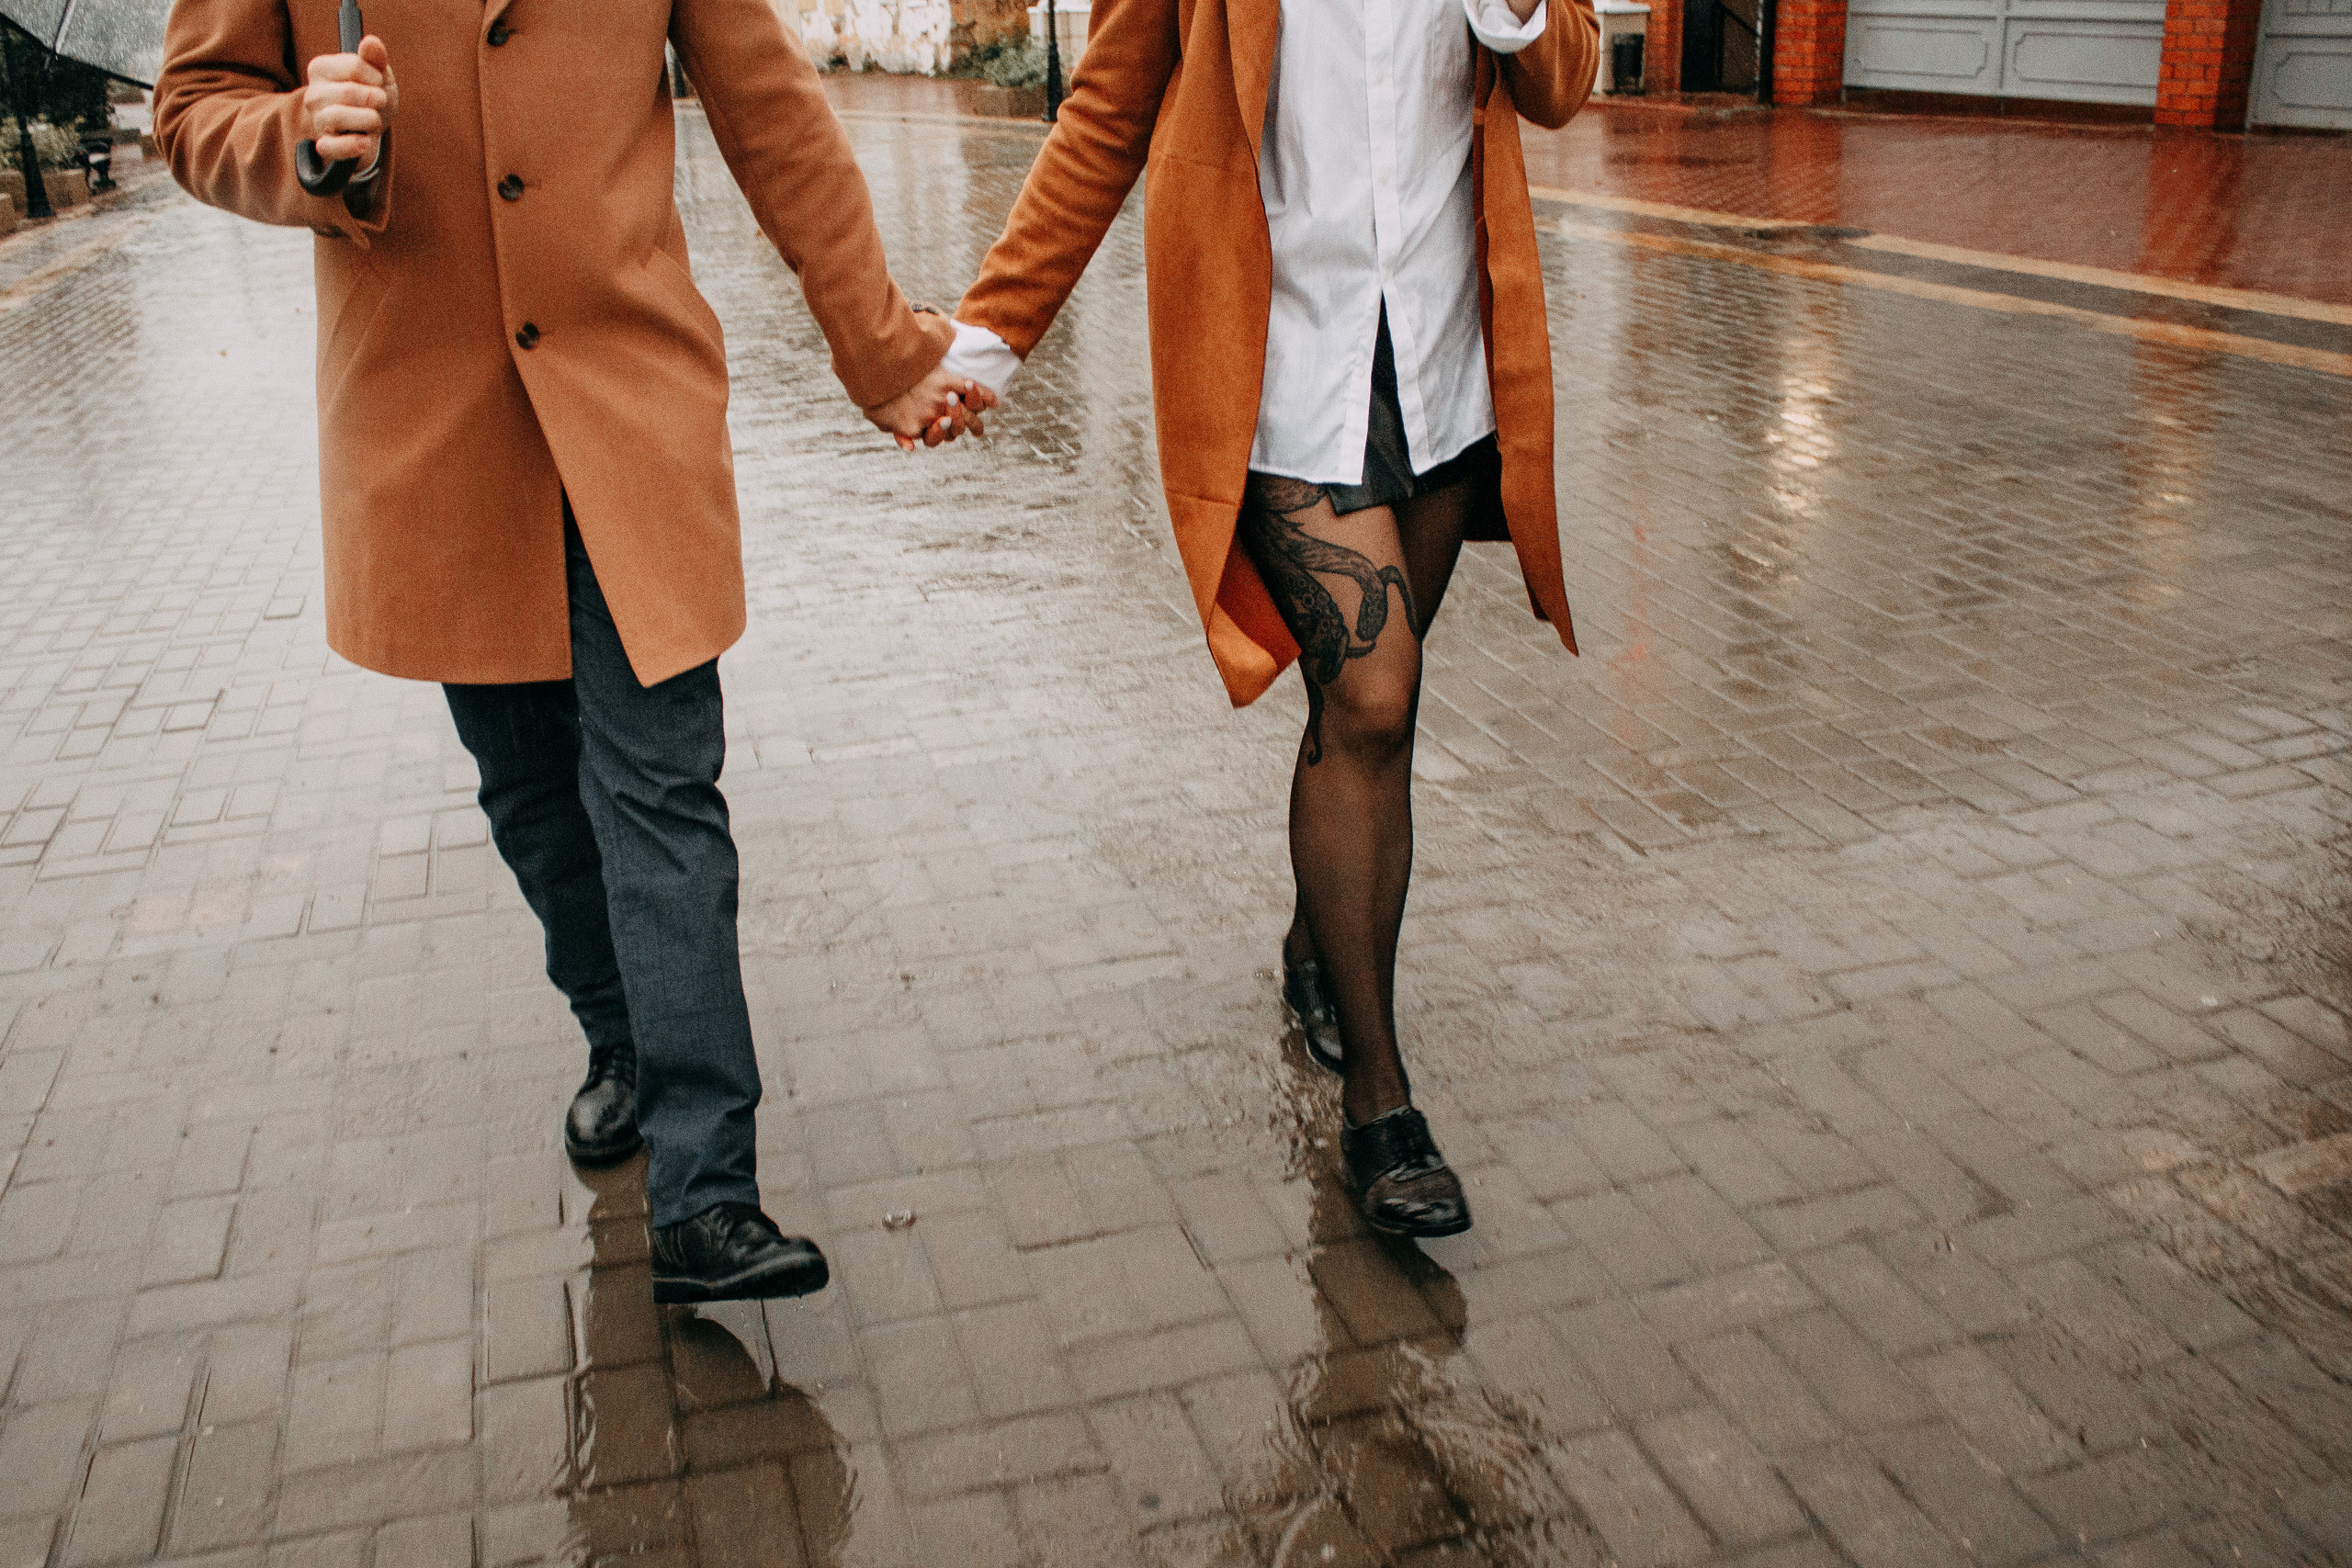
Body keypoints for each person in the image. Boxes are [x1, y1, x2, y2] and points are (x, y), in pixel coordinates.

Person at [153, 0, 993, 1303]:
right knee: (533, 791)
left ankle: (705, 1191)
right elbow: (194, 110)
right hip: (430, 424)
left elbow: (772, 115)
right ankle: (618, 1035)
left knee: (661, 786)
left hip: (627, 402)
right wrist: (299, 140)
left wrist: (878, 347)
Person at [945, 0, 1599, 1235]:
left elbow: (1564, 79)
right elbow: (1106, 113)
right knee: (1374, 698)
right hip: (1287, 373)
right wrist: (991, 339)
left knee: (1356, 717)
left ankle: (1317, 937)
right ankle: (1378, 1098)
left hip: (1446, 367)